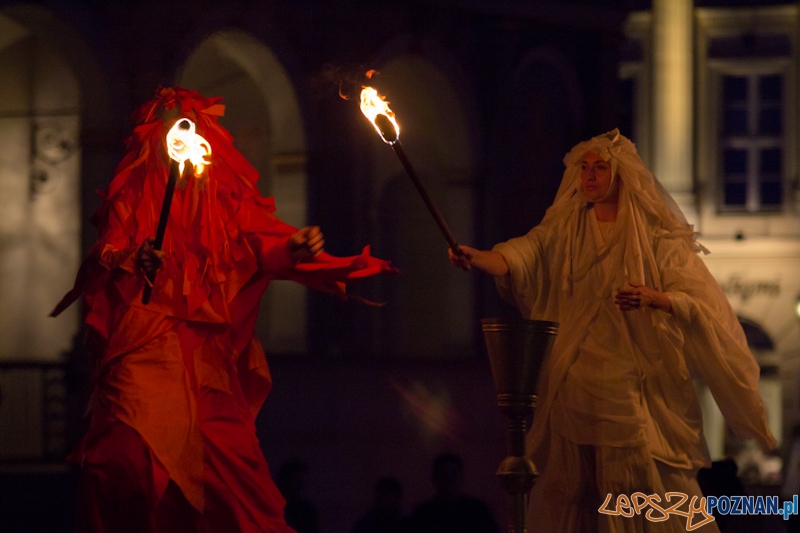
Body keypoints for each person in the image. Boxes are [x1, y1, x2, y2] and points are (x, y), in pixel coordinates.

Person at [50, 86, 396, 533]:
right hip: (146, 345)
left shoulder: (224, 204)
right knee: (126, 459)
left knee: (227, 476)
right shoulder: (135, 195)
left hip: (206, 357)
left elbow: (257, 244)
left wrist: (292, 247)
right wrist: (134, 257)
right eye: (175, 130)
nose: (187, 138)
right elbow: (107, 251)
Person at [448, 129, 776, 532]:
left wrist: (654, 297)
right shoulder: (566, 227)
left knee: (633, 477)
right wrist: (479, 257)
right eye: (584, 168)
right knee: (573, 484)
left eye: (600, 168)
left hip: (627, 374)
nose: (590, 176)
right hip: (575, 370)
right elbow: (525, 252)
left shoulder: (654, 234)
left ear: (621, 174)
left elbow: (695, 296)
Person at [403, 453, 498, 533]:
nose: (448, 479)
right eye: (443, 474)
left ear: (462, 478)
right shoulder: (422, 515)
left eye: (453, 473)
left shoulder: (478, 511)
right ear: (434, 479)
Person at [277, 460, 320, 533]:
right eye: (297, 480)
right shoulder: (272, 505)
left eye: (302, 480)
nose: (301, 484)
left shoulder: (307, 510)